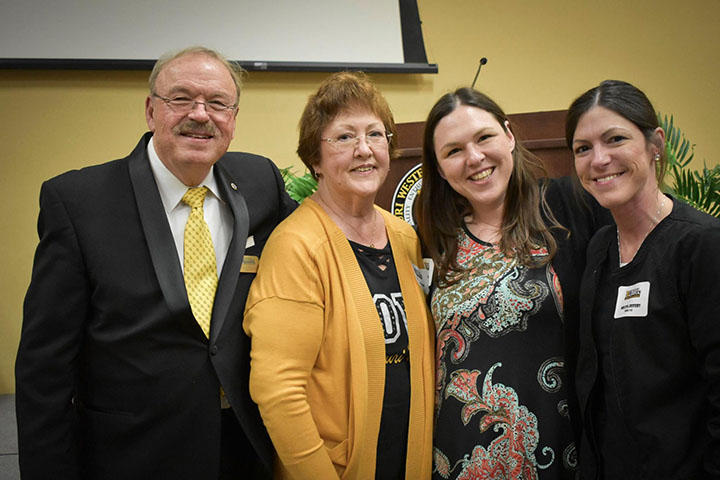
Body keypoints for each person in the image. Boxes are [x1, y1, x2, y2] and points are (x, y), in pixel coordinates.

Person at [15, 46, 296, 480]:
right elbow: (44, 371)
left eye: (218, 103)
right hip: (133, 453)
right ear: (151, 110)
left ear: (234, 118)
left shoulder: (261, 182)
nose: (200, 114)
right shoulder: (78, 203)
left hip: (245, 449)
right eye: (181, 98)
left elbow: (318, 243)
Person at [243, 71, 434, 479]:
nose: (364, 149)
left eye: (375, 134)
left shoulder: (404, 237)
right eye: (344, 137)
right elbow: (279, 392)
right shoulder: (296, 246)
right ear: (315, 159)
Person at [416, 88, 610, 479]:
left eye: (484, 137)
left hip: (559, 453)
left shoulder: (569, 205)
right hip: (458, 458)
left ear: (508, 135)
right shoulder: (432, 241)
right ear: (440, 168)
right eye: (453, 151)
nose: (474, 158)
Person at [566, 79, 720, 479]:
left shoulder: (702, 245)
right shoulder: (600, 248)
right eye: (583, 148)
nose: (599, 159)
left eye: (615, 139)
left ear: (656, 145)